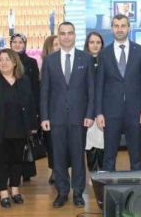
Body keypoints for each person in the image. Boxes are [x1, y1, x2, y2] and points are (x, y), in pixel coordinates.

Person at [40, 22, 95, 208]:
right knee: (58, 156)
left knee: (78, 156)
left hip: (80, 117)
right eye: (63, 33)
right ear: (58, 36)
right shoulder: (50, 60)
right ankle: (62, 192)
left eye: (70, 33)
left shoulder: (86, 59)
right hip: (56, 117)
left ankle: (78, 192)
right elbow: (44, 91)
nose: (66, 36)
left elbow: (91, 90)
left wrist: (90, 114)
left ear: (74, 35)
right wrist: (44, 116)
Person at [0, 49, 38, 209]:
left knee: (17, 161)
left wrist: (33, 126)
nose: (3, 63)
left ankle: (15, 189)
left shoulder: (24, 80)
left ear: (15, 62)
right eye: (1, 60)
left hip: (20, 128)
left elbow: (31, 104)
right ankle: (3, 192)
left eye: (7, 59)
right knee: (0, 162)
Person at [95, 15, 141, 171]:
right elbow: (99, 86)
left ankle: (137, 185)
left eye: (123, 26)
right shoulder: (104, 54)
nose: (120, 29)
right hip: (110, 113)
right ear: (112, 28)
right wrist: (99, 113)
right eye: (116, 26)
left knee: (136, 157)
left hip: (135, 112)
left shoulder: (140, 51)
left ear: (129, 28)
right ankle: (108, 186)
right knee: (109, 157)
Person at [10, 34, 40, 181]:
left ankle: (26, 172)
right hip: (9, 108)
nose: (17, 45)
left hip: (27, 107)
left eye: (20, 42)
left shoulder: (32, 62)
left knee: (26, 141)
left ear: (25, 44)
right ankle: (12, 173)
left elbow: (35, 88)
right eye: (14, 42)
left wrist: (35, 111)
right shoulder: (5, 60)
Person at [83, 32, 105, 175]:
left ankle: (103, 173)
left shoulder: (107, 61)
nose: (95, 45)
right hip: (87, 109)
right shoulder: (82, 61)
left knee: (103, 142)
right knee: (89, 142)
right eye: (92, 42)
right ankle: (92, 174)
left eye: (98, 42)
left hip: (103, 109)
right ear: (87, 44)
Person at [41, 35, 59, 185]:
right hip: (50, 112)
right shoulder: (45, 65)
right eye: (56, 44)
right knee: (52, 144)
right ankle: (55, 170)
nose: (59, 47)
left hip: (68, 111)